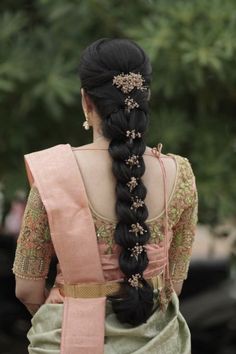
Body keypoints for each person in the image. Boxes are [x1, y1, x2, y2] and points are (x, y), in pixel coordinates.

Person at [13, 38, 198, 354]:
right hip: (158, 342)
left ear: (86, 101)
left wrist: (72, 309)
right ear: (145, 97)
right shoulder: (179, 174)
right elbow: (173, 284)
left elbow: (27, 287)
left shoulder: (52, 174)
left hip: (68, 341)